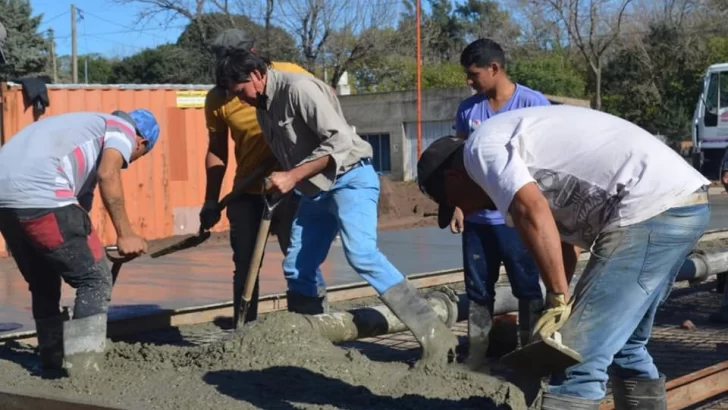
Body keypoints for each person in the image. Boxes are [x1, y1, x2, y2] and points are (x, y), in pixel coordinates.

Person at [417, 104, 710, 409]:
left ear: (453, 178)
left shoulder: (479, 149)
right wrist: (561, 305)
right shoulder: (517, 154)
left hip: (649, 207)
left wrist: (558, 297)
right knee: (625, 347)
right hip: (679, 202)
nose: (469, 212)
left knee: (576, 360)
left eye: (455, 203)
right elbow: (565, 245)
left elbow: (530, 210)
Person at [214, 49, 459, 366]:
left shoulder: (299, 89)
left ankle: (436, 335)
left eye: (240, 92)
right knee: (297, 268)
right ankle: (314, 346)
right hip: (315, 191)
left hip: (351, 178)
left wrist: (291, 176)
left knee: (362, 255)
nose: (240, 100)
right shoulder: (264, 108)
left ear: (257, 75)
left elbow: (340, 142)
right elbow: (289, 153)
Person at [0, 109, 160, 376]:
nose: (127, 161)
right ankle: (84, 370)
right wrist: (126, 234)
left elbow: (78, 212)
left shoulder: (79, 127)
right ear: (141, 143)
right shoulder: (121, 128)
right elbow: (108, 174)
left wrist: (90, 244)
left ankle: (50, 361)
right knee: (94, 280)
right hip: (43, 196)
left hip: (5, 204)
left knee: (43, 283)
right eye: (136, 157)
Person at [200, 29, 316, 325]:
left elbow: (320, 112)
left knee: (301, 259)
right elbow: (217, 151)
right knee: (245, 264)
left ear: (252, 53)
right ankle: (244, 329)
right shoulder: (217, 99)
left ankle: (313, 326)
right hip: (248, 192)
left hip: (294, 186)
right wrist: (210, 200)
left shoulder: (288, 74)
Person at [453, 38, 552, 367]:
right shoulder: (469, 110)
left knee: (527, 287)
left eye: (474, 74)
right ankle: (477, 353)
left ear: (495, 69)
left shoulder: (532, 103)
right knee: (478, 289)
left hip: (517, 219)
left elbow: (548, 160)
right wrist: (457, 204)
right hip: (478, 221)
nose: (469, 81)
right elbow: (462, 164)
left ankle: (529, 349)